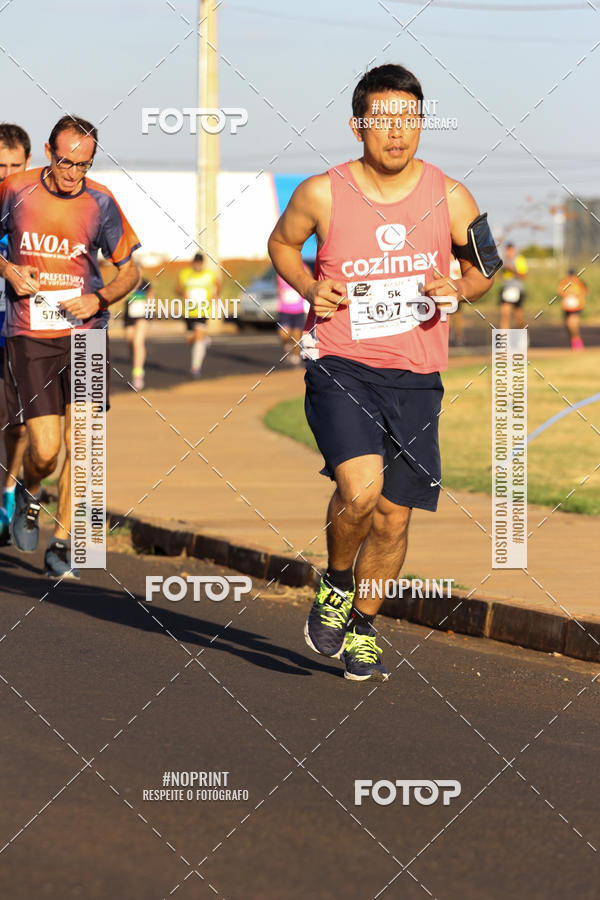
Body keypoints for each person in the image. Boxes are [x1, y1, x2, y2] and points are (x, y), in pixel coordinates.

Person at [269, 64, 500, 681]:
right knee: (361, 491)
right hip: (341, 362)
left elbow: (485, 266)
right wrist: (310, 287)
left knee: (395, 514)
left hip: (418, 373)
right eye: (383, 121)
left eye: (409, 120)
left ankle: (365, 625)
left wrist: (460, 288)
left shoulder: (452, 196)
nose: (397, 133)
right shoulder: (322, 193)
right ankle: (336, 583)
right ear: (358, 126)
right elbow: (282, 244)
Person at [0, 115, 140, 577]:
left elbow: (130, 271)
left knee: (85, 446)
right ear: (48, 152)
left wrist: (99, 299)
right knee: (44, 449)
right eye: (65, 162)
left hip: (87, 332)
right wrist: (9, 270)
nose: (73, 173)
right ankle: (30, 489)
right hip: (31, 334)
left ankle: (62, 542)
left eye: (83, 164)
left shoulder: (101, 201)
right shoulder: (15, 190)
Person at [0, 124, 31, 544]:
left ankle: (9, 490)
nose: (6, 173)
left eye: (14, 166)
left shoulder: (38, 206)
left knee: (19, 425)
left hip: (23, 324)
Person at [178, 252, 220, 377]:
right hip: (189, 312)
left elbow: (218, 285)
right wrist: (182, 294)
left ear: (203, 263)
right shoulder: (185, 274)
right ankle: (205, 340)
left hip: (203, 311)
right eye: (195, 263)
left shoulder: (209, 274)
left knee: (198, 338)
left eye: (199, 263)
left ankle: (195, 367)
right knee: (191, 340)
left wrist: (215, 296)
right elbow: (178, 288)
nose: (197, 265)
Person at [123, 267, 153, 389]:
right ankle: (136, 363)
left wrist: (149, 313)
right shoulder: (126, 283)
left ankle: (138, 374)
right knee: (130, 342)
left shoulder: (146, 284)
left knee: (137, 341)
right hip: (129, 317)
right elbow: (120, 298)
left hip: (142, 316)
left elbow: (151, 298)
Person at [277, 269, 310, 365]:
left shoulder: (304, 268)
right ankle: (287, 343)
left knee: (296, 333)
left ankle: (296, 356)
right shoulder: (281, 269)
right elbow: (278, 286)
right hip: (284, 309)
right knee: (283, 333)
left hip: (298, 309)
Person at [498, 242, 528, 329]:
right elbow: (499, 276)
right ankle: (504, 337)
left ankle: (524, 331)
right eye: (507, 251)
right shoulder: (503, 260)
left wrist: (512, 269)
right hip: (506, 288)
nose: (508, 253)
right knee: (504, 315)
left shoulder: (519, 260)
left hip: (517, 289)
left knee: (518, 317)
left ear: (514, 250)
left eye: (510, 251)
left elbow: (523, 276)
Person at [558, 268, 586, 351]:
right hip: (567, 307)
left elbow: (583, 292)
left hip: (576, 307)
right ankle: (573, 340)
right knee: (568, 325)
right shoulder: (564, 282)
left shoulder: (579, 283)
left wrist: (576, 297)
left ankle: (577, 341)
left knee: (572, 323)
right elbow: (560, 292)